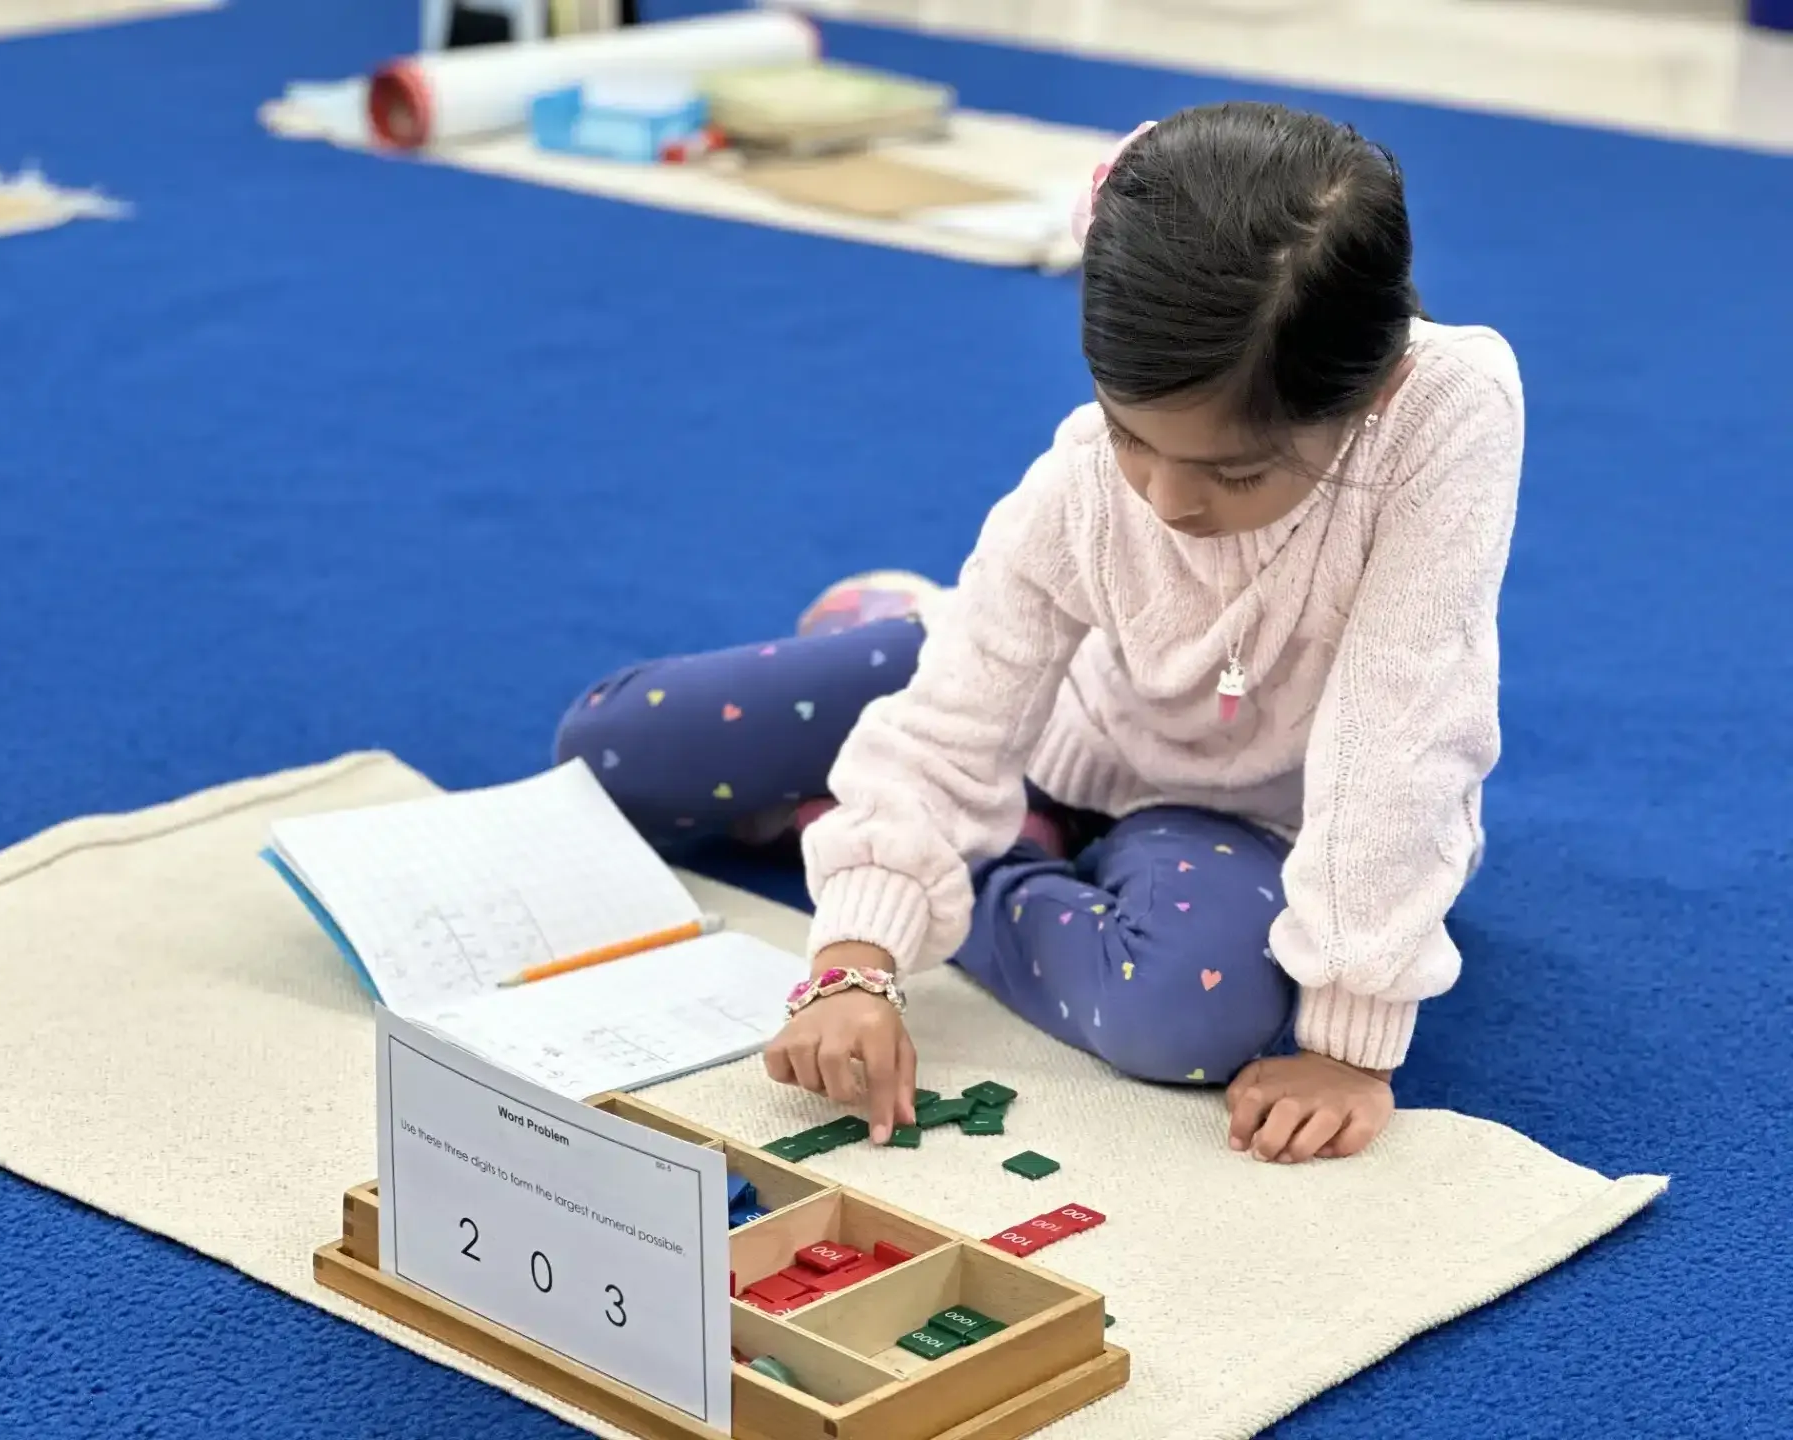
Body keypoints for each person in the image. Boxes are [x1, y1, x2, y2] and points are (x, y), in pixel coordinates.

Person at [554, 101, 1524, 1165]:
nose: (1167, 499)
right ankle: (946, 788)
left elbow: (1408, 730)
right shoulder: (1080, 485)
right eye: (1128, 436)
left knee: (1188, 1016)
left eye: (1236, 472)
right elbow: (955, 714)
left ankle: (983, 846)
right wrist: (856, 958)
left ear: (1373, 391)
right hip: (1062, 714)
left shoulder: (1445, 418)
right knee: (610, 754)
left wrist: (1352, 1032)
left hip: (1248, 817)